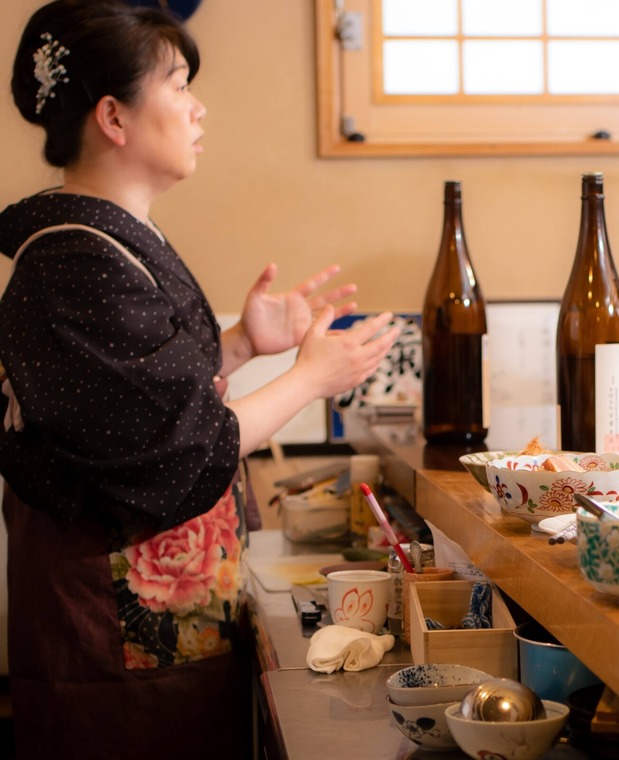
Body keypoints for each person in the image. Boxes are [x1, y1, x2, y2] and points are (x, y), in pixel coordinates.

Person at [0, 2, 400, 757]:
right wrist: (309, 377)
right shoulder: (77, 257)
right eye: (178, 84)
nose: (197, 106)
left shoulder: (105, 239)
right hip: (110, 634)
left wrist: (242, 344)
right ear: (114, 117)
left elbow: (127, 405)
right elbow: (179, 451)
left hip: (147, 619)